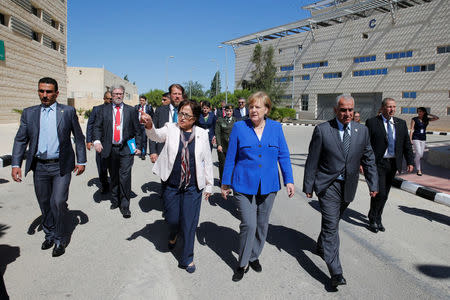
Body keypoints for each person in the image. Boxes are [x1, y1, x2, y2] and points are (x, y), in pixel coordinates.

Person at [303, 94, 378, 288]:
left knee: (333, 221)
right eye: (343, 110)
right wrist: (308, 185)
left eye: (350, 110)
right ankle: (336, 272)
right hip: (328, 185)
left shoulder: (362, 131)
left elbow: (368, 158)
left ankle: (321, 246)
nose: (347, 113)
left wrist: (373, 184)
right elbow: (312, 160)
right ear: (336, 110)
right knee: (331, 226)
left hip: (349, 185)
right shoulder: (323, 130)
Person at [221, 91, 295, 282]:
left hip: (268, 185)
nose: (253, 110)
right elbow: (231, 158)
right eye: (251, 106)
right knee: (249, 224)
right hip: (242, 183)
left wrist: (289, 180)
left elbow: (283, 155)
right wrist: (225, 183)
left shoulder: (276, 128)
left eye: (257, 107)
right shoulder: (239, 127)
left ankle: (254, 255)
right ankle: (242, 263)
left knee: (262, 224)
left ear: (266, 109)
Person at [11, 77, 87, 257]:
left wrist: (81, 160)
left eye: (48, 92)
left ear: (56, 93)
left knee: (58, 202)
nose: (44, 95)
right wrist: (16, 164)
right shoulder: (29, 113)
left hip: (61, 166)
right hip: (39, 167)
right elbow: (21, 139)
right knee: (44, 203)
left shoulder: (67, 111)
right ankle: (50, 233)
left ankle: (60, 239)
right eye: (41, 91)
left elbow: (78, 137)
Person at [141, 99, 213, 274]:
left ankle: (187, 258)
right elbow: (155, 135)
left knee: (189, 223)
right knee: (173, 220)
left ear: (194, 118)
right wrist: (149, 125)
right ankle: (173, 234)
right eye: (180, 113)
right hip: (171, 184)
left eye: (186, 115)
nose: (181, 117)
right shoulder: (171, 128)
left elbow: (207, 161)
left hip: (193, 187)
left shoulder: (202, 134)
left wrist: (210, 185)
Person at [93, 85, 142, 218]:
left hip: (126, 148)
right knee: (114, 176)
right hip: (110, 149)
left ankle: (125, 205)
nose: (118, 96)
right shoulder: (104, 110)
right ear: (111, 95)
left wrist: (138, 146)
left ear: (123, 95)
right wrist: (97, 141)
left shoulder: (131, 110)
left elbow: (138, 130)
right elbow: (97, 127)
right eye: (115, 94)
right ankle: (115, 199)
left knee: (125, 176)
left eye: (120, 94)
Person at [366, 98, 414, 233]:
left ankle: (377, 217)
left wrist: (410, 161)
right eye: (389, 107)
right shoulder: (373, 122)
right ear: (382, 108)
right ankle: (373, 219)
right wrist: (362, 162)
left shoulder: (400, 123)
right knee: (379, 193)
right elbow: (366, 144)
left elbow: (406, 144)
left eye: (394, 107)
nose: (392, 109)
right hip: (378, 163)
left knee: (385, 194)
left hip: (393, 164)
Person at [149, 84, 184, 163]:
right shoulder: (160, 110)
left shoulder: (187, 111)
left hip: (182, 152)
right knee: (165, 175)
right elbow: (153, 131)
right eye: (175, 94)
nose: (177, 96)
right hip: (163, 151)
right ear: (170, 95)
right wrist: (153, 151)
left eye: (179, 94)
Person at [86, 91, 112, 193]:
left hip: (112, 143)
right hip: (99, 143)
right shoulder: (97, 109)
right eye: (109, 99)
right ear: (104, 99)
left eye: (112, 99)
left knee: (113, 165)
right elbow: (90, 125)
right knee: (101, 166)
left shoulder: (115, 109)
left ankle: (114, 185)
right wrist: (89, 140)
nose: (111, 101)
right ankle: (104, 184)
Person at [410, 107, 439, 176]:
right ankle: (419, 170)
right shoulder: (414, 119)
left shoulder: (426, 119)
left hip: (423, 138)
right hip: (415, 137)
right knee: (419, 153)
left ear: (424, 112)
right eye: (418, 111)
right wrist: (410, 139)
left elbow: (437, 118)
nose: (419, 113)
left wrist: (428, 114)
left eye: (421, 111)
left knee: (421, 155)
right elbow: (411, 129)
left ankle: (413, 161)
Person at [215, 105, 236, 183]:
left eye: (230, 111)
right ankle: (222, 181)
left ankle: (231, 181)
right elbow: (217, 133)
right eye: (227, 111)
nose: (228, 112)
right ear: (225, 111)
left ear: (232, 112)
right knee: (222, 165)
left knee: (232, 165)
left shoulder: (236, 121)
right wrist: (219, 144)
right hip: (223, 146)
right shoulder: (220, 120)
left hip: (233, 147)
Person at [135, 95, 154, 160]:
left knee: (144, 139)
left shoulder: (149, 108)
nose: (141, 102)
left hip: (145, 125)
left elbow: (152, 116)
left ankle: (143, 153)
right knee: (138, 139)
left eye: (143, 100)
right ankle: (138, 151)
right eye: (140, 100)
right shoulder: (137, 107)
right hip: (138, 125)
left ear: (145, 101)